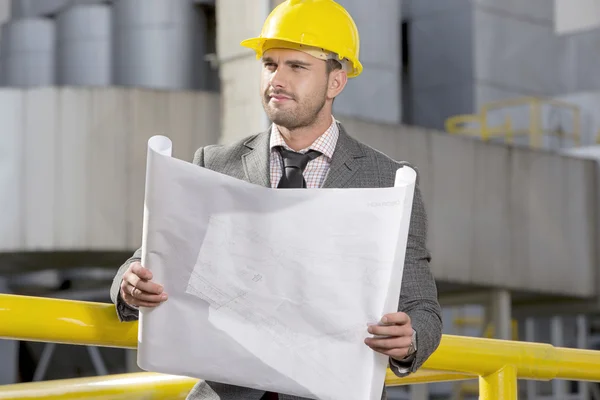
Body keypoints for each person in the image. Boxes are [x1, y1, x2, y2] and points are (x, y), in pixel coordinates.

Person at [110, 0, 442, 399]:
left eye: (296, 66)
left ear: (336, 82)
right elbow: (152, 257)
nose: (276, 80)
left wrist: (409, 340)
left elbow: (422, 308)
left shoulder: (387, 180)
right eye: (270, 64)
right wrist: (130, 284)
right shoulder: (215, 164)